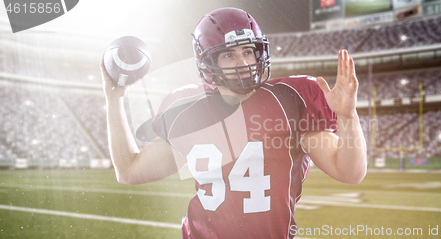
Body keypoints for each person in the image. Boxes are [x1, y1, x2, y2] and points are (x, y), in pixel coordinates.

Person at [101, 7, 366, 239]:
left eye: (248, 52)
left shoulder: (292, 99)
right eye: (229, 55)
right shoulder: (187, 108)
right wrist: (115, 98)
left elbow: (349, 172)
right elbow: (129, 171)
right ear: (208, 61)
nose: (243, 63)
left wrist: (347, 117)